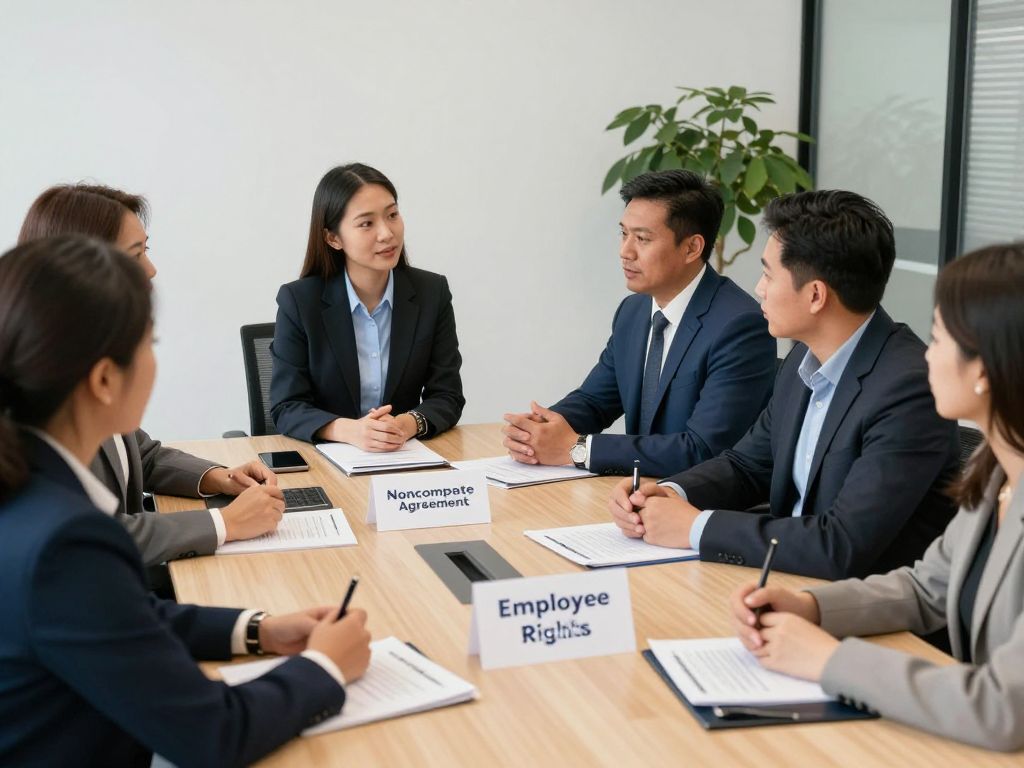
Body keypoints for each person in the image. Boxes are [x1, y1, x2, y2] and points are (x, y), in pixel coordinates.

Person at [0, 236, 372, 766]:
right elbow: (213, 734)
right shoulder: (66, 540)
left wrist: (258, 629)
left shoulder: (30, 485)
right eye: (149, 343)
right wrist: (325, 667)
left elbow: (121, 619)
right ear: (104, 379)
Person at [728, 243, 1024, 752]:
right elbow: (926, 589)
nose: (925, 355)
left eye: (937, 338)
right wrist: (810, 606)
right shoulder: (995, 468)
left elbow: (1003, 708)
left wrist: (827, 660)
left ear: (984, 369)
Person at [609, 190, 960, 579]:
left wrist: (695, 527)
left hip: (855, 599)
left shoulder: (909, 390)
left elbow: (841, 544)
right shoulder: (802, 360)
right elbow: (747, 466)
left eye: (768, 274)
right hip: (781, 577)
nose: (758, 288)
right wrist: (670, 493)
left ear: (815, 295)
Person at [18, 184, 284, 567]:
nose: (151, 269)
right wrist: (225, 523)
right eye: (135, 255)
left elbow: (141, 455)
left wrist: (220, 477)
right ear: (85, 266)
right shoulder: (48, 394)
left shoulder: (87, 354)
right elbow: (91, 535)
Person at [502, 170, 775, 477]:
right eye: (624, 234)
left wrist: (578, 449)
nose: (625, 252)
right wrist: (537, 431)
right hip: (634, 492)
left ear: (691, 248)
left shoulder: (739, 326)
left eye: (642, 239)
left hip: (696, 498)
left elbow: (702, 449)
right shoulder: (633, 311)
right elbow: (594, 401)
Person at [271, 163, 464, 449]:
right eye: (366, 223)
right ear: (333, 238)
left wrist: (406, 424)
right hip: (327, 457)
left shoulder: (432, 293)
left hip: (402, 455)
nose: (387, 233)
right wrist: (349, 430)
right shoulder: (299, 301)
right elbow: (286, 406)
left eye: (392, 215)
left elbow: (448, 395)